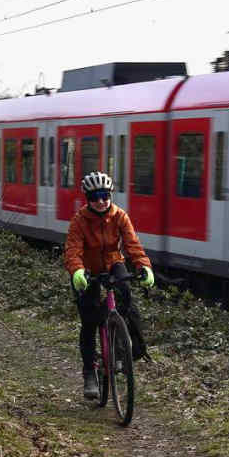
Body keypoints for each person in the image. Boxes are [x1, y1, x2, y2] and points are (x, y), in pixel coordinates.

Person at [64, 171, 154, 399]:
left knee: (127, 297)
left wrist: (144, 267)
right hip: (88, 270)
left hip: (114, 263)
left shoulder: (120, 216)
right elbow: (73, 251)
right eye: (95, 197)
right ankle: (89, 373)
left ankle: (124, 348)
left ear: (110, 195)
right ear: (88, 199)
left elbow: (133, 245)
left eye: (105, 195)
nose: (101, 201)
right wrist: (77, 272)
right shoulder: (79, 221)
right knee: (89, 321)